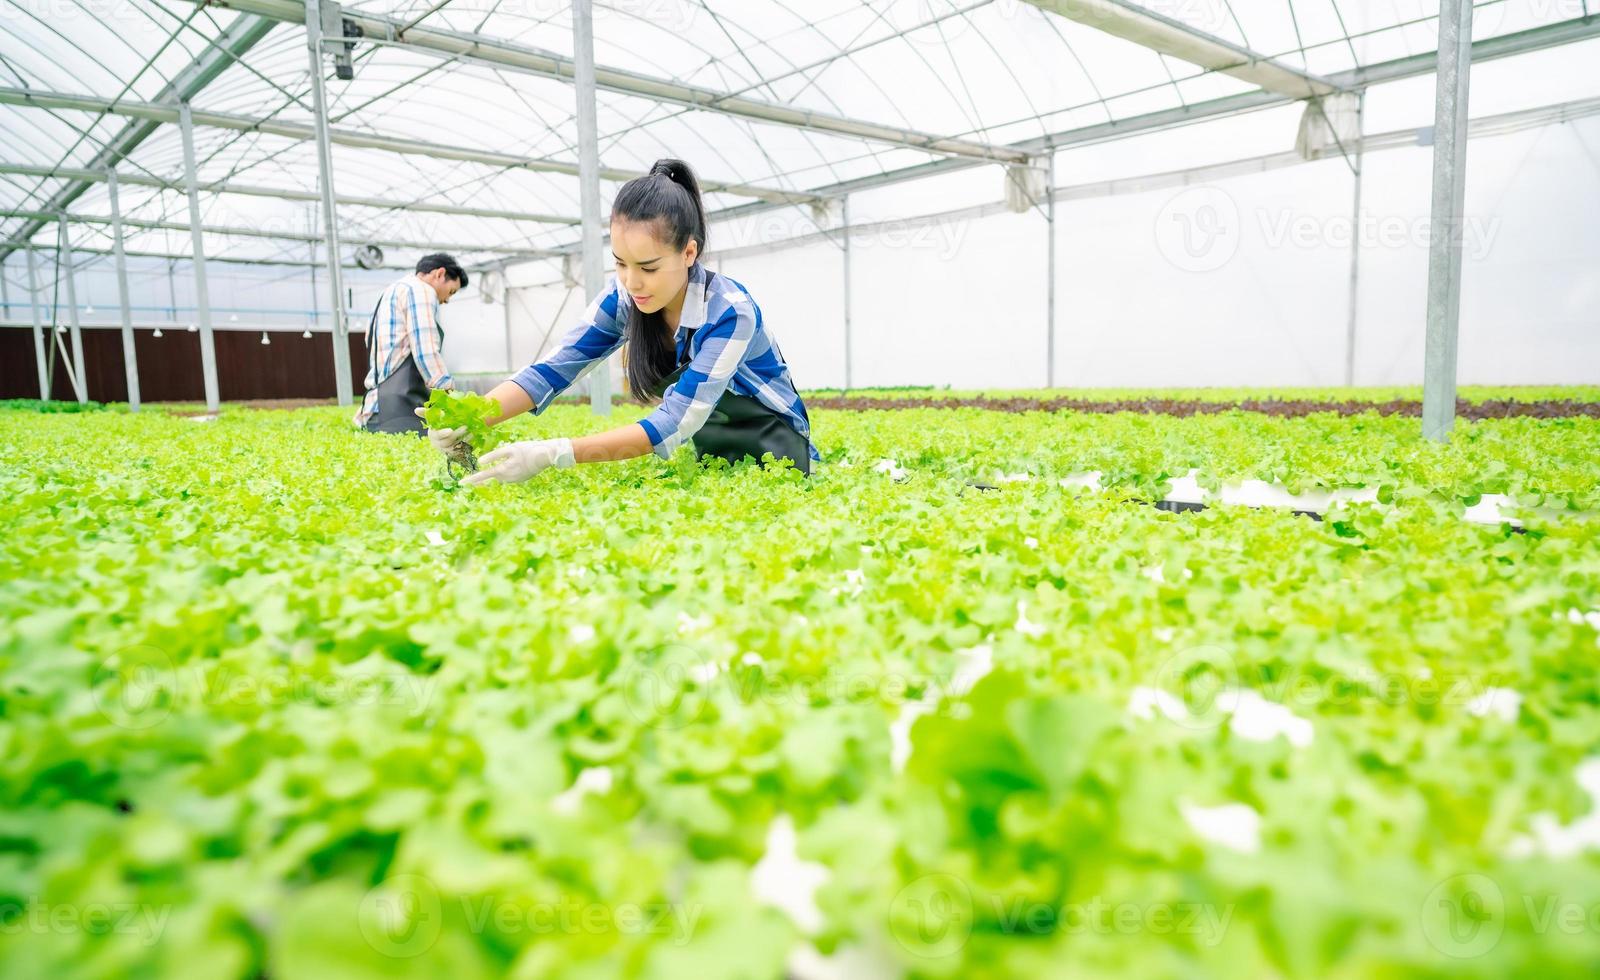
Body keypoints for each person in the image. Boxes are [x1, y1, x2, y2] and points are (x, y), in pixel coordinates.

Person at [418, 158, 817, 482]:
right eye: (621, 263)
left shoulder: (730, 312)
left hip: (778, 450)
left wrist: (554, 453)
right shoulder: (625, 297)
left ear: (689, 253)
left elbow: (674, 423)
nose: (632, 281)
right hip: (710, 448)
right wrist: (471, 417)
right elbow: (552, 370)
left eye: (648, 266)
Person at [354, 252, 468, 433]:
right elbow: (425, 349)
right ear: (439, 274)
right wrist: (450, 394)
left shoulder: (391, 292)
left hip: (376, 407)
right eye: (451, 291)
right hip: (398, 411)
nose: (446, 300)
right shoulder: (421, 290)